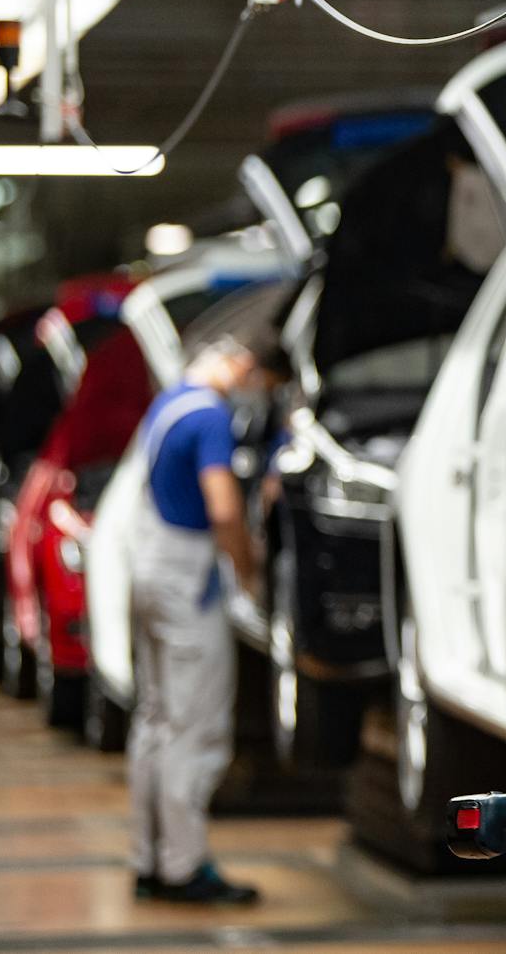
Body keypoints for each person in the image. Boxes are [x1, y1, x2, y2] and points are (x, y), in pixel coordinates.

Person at [128, 332, 288, 904]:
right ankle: (184, 867)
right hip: (188, 581)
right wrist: (248, 569)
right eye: (255, 376)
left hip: (148, 570)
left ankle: (148, 858)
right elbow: (222, 505)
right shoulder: (210, 418)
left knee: (154, 719)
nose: (254, 387)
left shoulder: (167, 403)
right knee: (195, 729)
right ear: (235, 361)